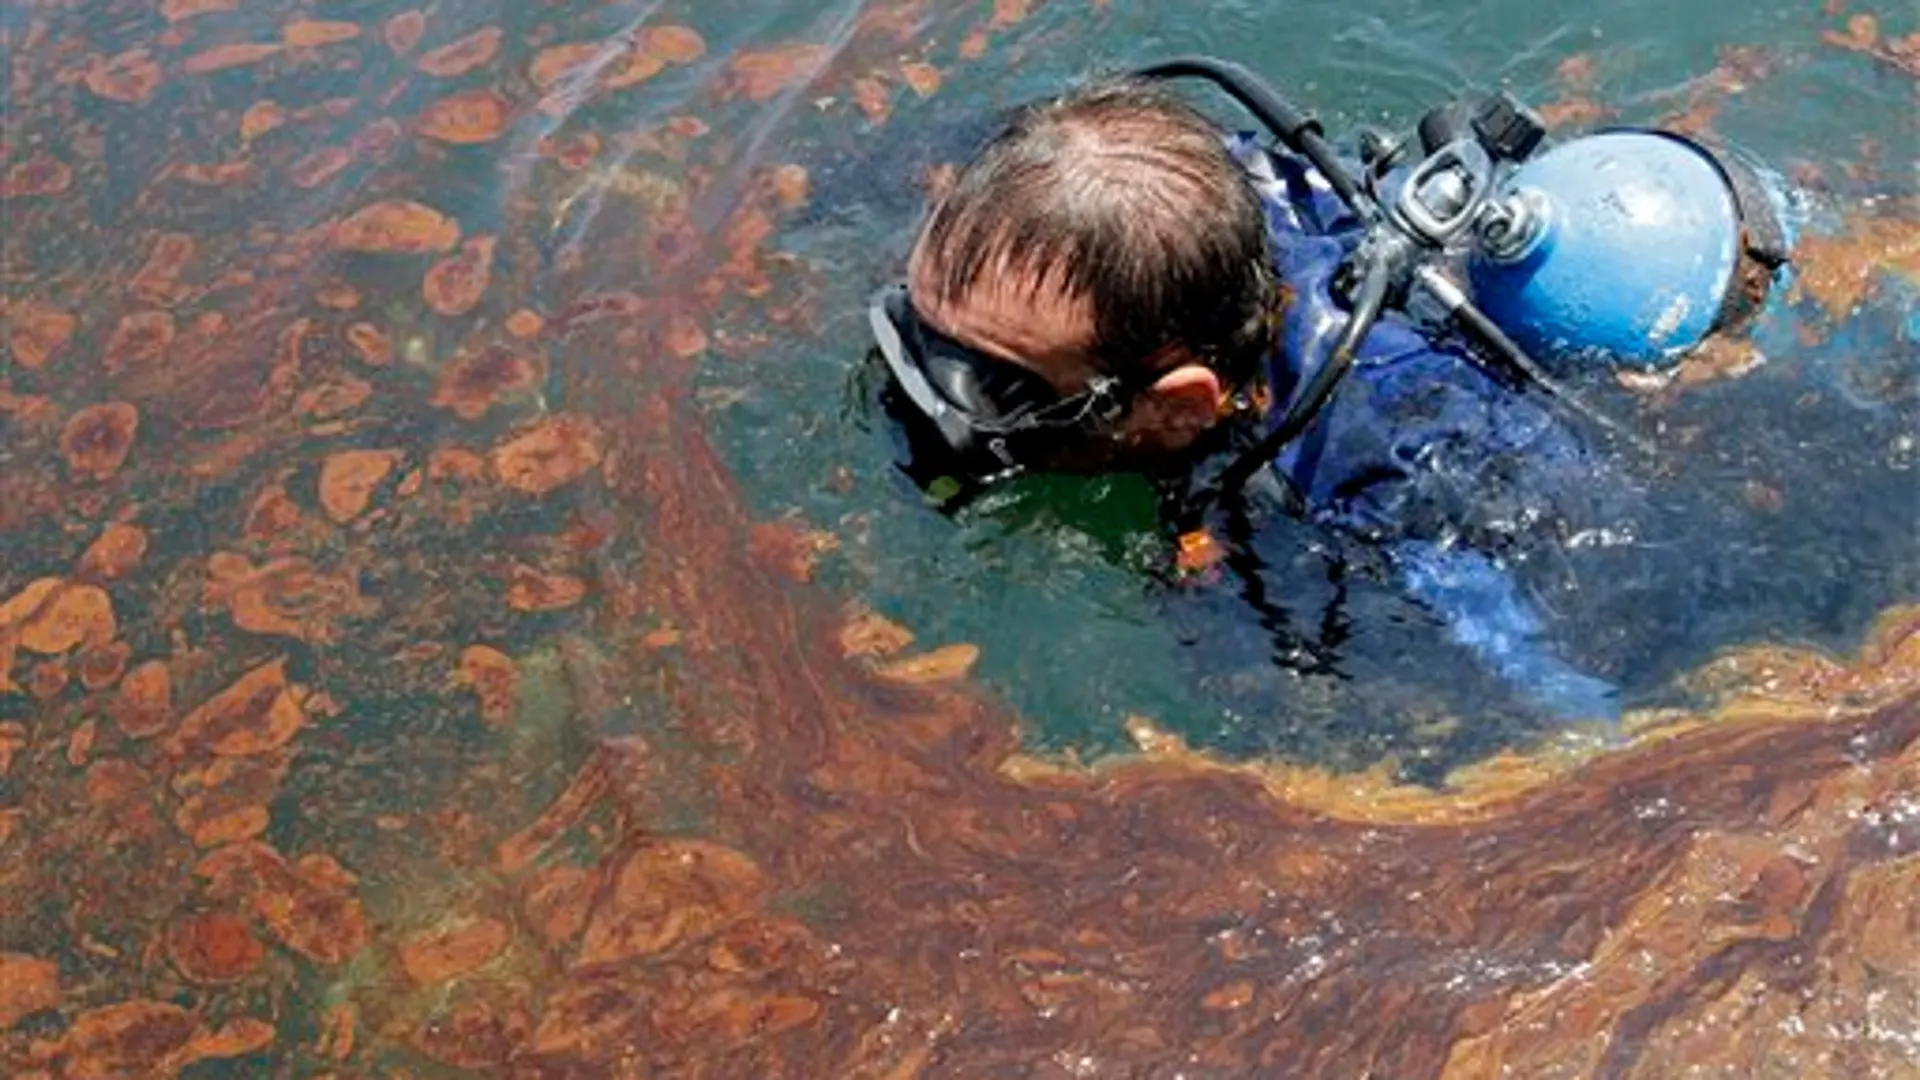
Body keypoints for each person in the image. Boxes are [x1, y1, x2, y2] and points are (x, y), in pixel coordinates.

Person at [865, 71, 1813, 724]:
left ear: (1183, 406)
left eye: (999, 386)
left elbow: (1598, 709)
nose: (929, 393)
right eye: (918, 323)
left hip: (1735, 324)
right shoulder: (1159, 191)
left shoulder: (1414, 474)